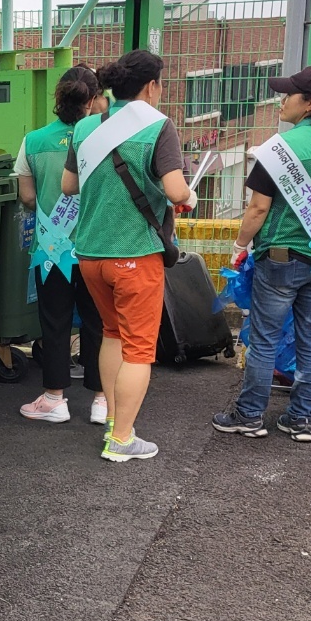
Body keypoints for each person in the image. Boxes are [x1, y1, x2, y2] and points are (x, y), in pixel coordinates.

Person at [213, 66, 311, 443]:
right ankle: (301, 418)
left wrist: (239, 247)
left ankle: (249, 415)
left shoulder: (278, 149)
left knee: (264, 339)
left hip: (281, 257)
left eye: (289, 95)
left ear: (310, 103)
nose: (282, 101)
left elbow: (257, 210)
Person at [61, 49, 194, 463]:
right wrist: (187, 194)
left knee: (112, 335)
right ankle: (121, 441)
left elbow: (68, 186)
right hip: (135, 254)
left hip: (90, 255)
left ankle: (115, 423)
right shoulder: (158, 126)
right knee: (139, 348)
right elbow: (175, 191)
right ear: (151, 86)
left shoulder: (86, 126)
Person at [15, 64, 107, 426]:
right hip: (95, 247)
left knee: (54, 322)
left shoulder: (33, 141)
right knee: (98, 321)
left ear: (59, 97)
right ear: (96, 98)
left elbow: (26, 196)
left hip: (51, 249)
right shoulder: (102, 138)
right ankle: (102, 400)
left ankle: (55, 398)